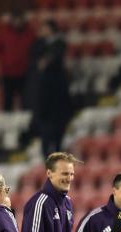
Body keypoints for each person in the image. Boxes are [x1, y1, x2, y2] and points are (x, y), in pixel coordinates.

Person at [32, 20, 72, 157]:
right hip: (46, 103)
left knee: (57, 134)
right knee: (46, 135)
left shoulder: (59, 44)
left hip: (57, 99)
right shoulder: (39, 44)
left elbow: (53, 59)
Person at [0, 9, 36, 111]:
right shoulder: (3, 33)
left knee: (26, 101)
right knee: (7, 102)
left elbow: (36, 49)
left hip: (25, 73)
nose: (18, 22)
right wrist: (5, 61)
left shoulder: (30, 33)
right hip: (8, 73)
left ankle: (26, 124)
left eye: (20, 19)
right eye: (15, 19)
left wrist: (30, 63)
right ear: (12, 20)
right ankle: (7, 124)